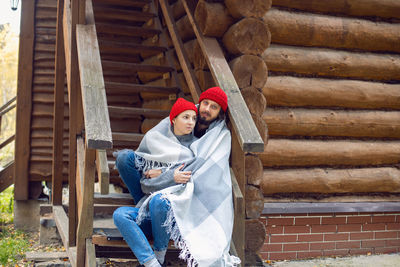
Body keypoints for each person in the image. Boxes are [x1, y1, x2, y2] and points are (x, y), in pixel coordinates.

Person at [113, 98, 198, 267]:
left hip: (171, 217)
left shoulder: (194, 148)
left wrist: (163, 175)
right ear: (173, 119)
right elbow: (145, 185)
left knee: (160, 200)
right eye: (185, 117)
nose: (191, 122)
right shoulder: (157, 139)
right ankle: (153, 263)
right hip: (147, 206)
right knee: (120, 215)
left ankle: (160, 254)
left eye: (194, 118)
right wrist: (171, 175)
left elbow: (185, 182)